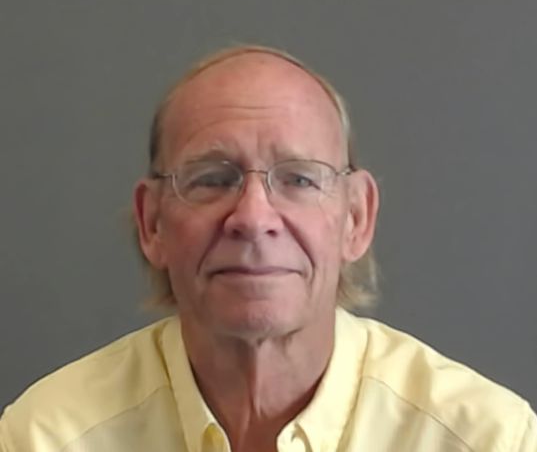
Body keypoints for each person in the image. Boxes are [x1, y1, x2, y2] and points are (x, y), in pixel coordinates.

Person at [1, 45, 535, 452]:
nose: (254, 219)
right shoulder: (48, 437)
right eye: (212, 179)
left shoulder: (485, 439)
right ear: (152, 222)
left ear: (356, 218)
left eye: (299, 179)